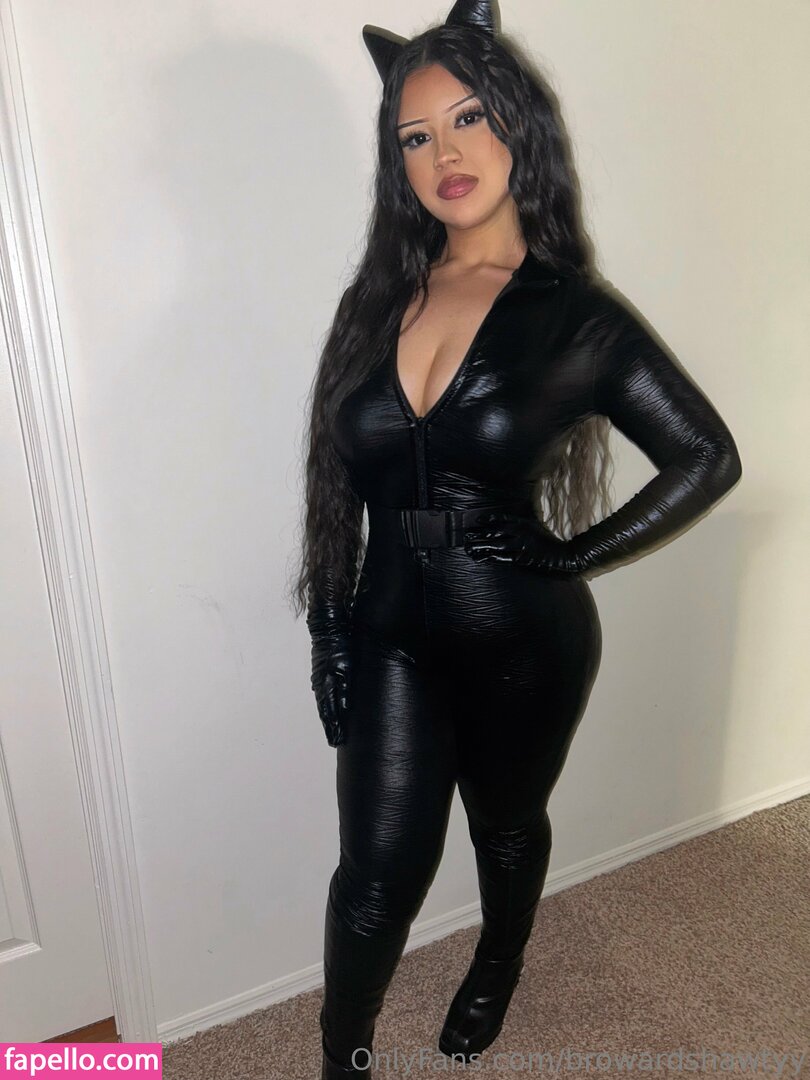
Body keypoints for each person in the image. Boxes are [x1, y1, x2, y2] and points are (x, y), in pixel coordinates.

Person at [288, 2, 742, 1076]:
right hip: (391, 633)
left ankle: (499, 960)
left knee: (504, 823)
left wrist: (572, 556)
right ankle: (342, 1056)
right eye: (415, 135)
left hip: (522, 638)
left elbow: (706, 456)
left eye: (469, 118)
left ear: (517, 123)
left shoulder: (575, 314)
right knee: (375, 875)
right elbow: (334, 482)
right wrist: (330, 629)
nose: (444, 154)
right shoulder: (374, 300)